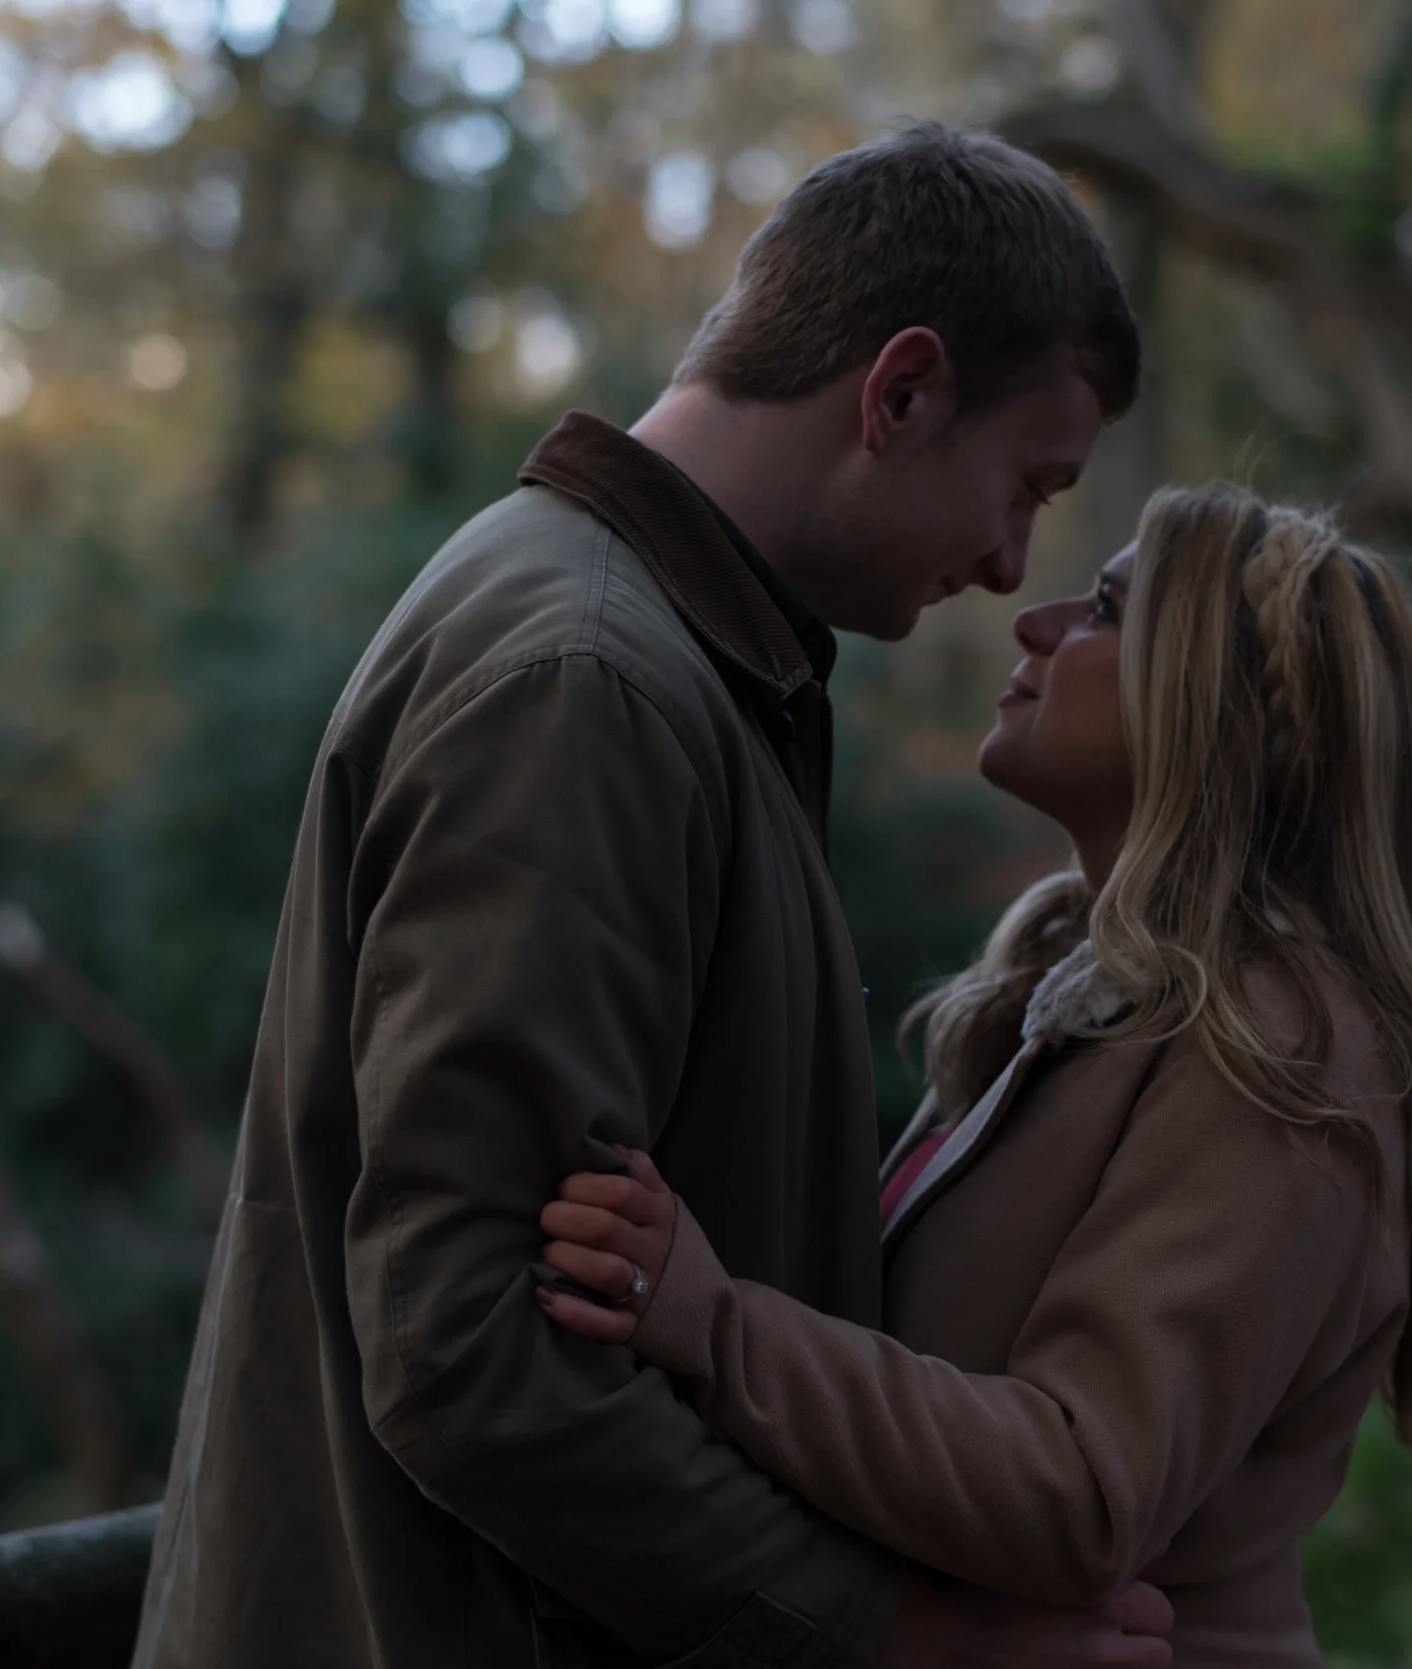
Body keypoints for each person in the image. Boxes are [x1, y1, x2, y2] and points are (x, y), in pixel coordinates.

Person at [132, 124, 1173, 1669]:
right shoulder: (589, 683)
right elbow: (471, 1349)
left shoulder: (655, 655)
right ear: (899, 392)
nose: (1011, 558)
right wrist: (891, 1635)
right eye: (1027, 485)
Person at [534, 486, 1412, 1669]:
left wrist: (714, 1323)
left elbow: (1084, 1486)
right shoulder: (1084, 991)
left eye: (1105, 607)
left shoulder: (1282, 1045)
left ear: (1222, 708)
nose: (1032, 622)